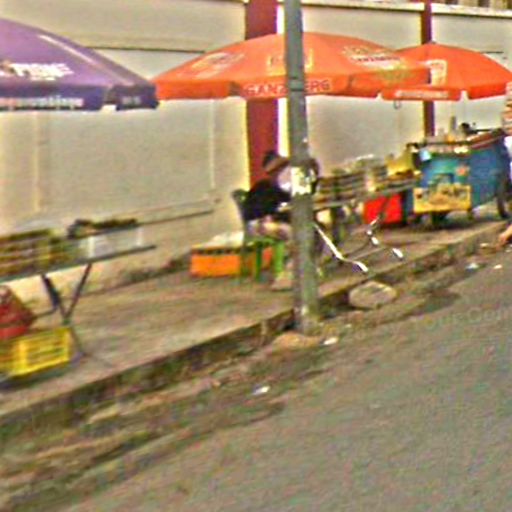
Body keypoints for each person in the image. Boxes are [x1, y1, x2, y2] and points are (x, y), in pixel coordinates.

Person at [242, 150, 320, 290]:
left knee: (316, 231)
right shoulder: (262, 188)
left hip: (277, 221)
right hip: (260, 224)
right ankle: (288, 276)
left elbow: (305, 192)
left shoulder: (284, 188)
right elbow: (259, 212)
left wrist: (311, 170)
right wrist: (278, 213)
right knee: (295, 235)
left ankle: (309, 267)